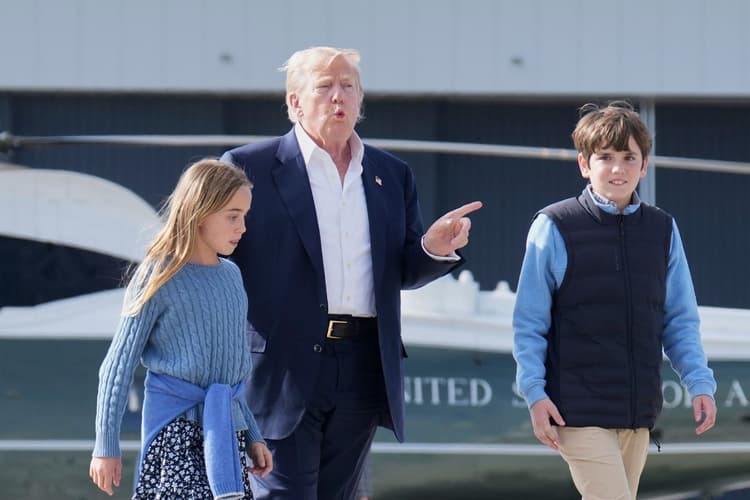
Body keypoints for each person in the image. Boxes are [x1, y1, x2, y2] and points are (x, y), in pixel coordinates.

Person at [221, 46, 481, 500]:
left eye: (349, 86)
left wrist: (433, 249)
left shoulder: (391, 174)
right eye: (324, 86)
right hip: (280, 369)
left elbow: (401, 270)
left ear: (361, 100)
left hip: (363, 365)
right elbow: (215, 256)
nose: (338, 96)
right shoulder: (248, 167)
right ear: (295, 102)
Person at [512, 101, 717, 500]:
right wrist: (534, 393)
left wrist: (700, 383)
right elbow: (529, 322)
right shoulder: (555, 226)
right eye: (605, 157)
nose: (618, 168)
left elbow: (679, 319)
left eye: (629, 157)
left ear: (644, 166)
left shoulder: (662, 229)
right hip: (575, 410)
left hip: (638, 412)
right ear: (584, 165)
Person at [89, 159, 273, 499]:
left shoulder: (232, 277)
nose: (243, 227)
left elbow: (230, 376)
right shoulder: (158, 275)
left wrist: (253, 435)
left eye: (245, 216)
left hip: (225, 434)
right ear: (201, 212)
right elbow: (117, 367)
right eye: (233, 216)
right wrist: (106, 445)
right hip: (174, 432)